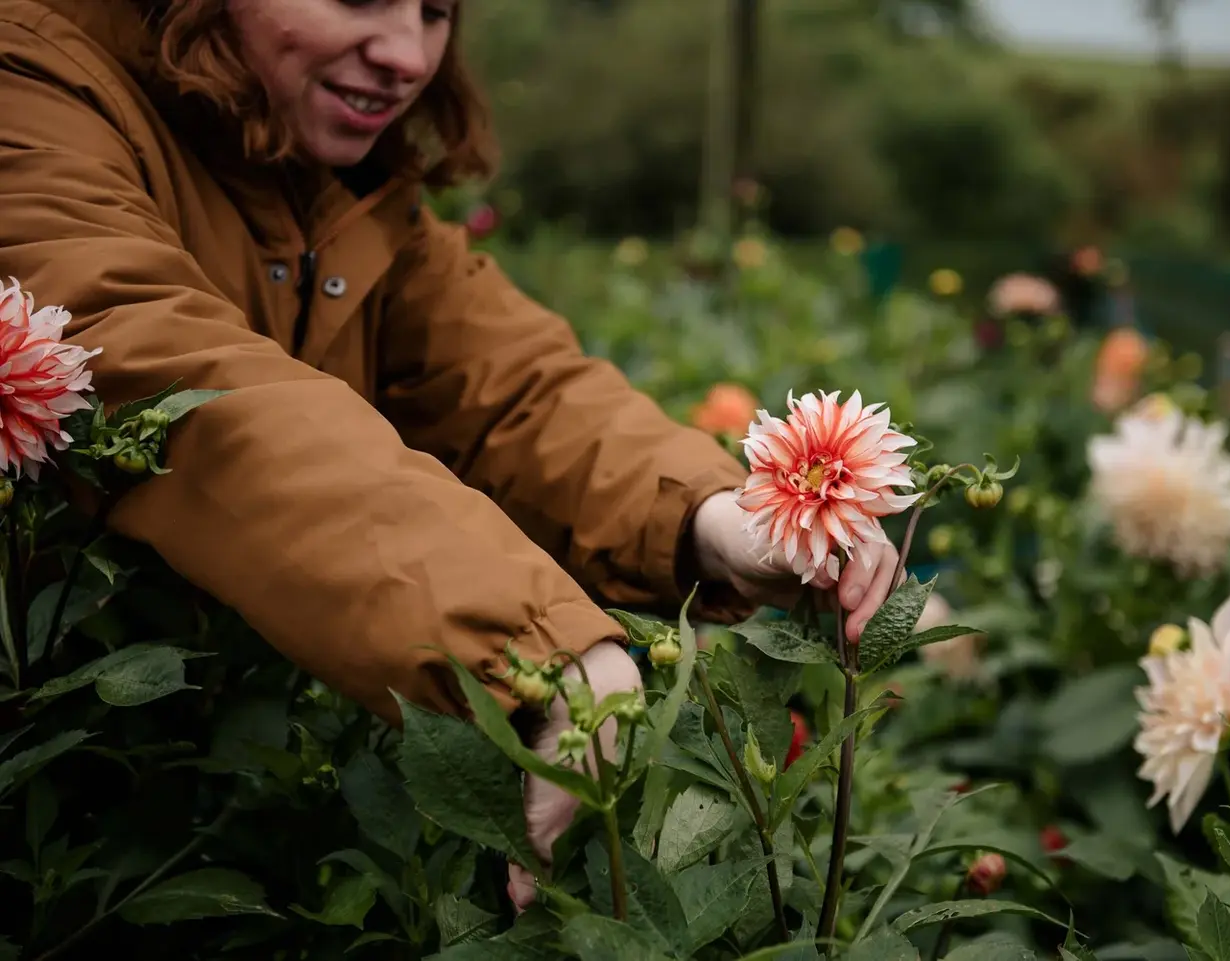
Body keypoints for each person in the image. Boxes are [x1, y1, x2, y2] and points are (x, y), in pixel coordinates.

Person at [0, 0, 902, 907]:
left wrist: (715, 516)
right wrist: (541, 647)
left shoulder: (324, 177)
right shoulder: (28, 93)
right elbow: (168, 371)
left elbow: (512, 389)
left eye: (435, 11)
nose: (406, 55)